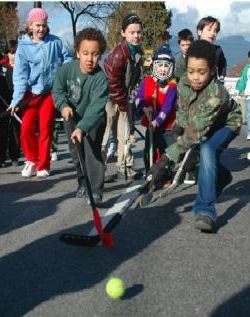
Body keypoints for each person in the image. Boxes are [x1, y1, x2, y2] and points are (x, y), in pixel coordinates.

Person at [148, 40, 242, 233]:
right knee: (197, 151)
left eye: (202, 72)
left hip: (226, 124)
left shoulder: (216, 94)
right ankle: (222, 176)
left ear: (213, 70)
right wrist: (176, 136)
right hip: (201, 123)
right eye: (191, 71)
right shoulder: (183, 82)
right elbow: (184, 116)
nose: (195, 77)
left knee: (206, 149)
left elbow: (195, 132)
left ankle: (205, 211)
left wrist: (166, 158)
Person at [9, 7, 72, 178]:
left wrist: (62, 76)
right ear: (30, 26)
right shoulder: (23, 46)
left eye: (44, 25)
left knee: (46, 129)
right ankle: (31, 159)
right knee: (26, 128)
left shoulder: (55, 42)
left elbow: (68, 58)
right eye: (37, 25)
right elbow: (20, 76)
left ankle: (43, 165)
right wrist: (15, 101)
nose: (41, 29)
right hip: (31, 94)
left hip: (49, 93)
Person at [52, 27, 109, 204]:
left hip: (94, 120)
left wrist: (82, 128)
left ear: (100, 55)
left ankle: (96, 190)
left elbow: (96, 107)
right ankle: (83, 184)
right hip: (71, 117)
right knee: (76, 153)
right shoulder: (66, 70)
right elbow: (58, 90)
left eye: (95, 54)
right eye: (85, 53)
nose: (90, 59)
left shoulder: (101, 79)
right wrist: (63, 105)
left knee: (92, 153)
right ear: (77, 52)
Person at [103, 13, 143, 179]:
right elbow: (112, 82)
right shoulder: (119, 54)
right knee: (104, 137)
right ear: (123, 33)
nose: (136, 36)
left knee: (124, 135)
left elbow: (133, 79)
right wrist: (122, 103)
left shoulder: (137, 52)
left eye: (139, 32)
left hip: (122, 98)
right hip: (108, 99)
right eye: (132, 32)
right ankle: (97, 171)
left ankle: (124, 167)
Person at [134, 45, 177, 175]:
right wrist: (142, 108)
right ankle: (150, 173)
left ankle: (166, 176)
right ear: (154, 66)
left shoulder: (172, 86)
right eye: (160, 65)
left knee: (167, 153)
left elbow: (167, 107)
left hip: (166, 128)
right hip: (150, 125)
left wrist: (157, 121)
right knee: (149, 152)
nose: (163, 69)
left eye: (166, 66)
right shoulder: (147, 81)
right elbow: (138, 98)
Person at [0, 39, 20, 167]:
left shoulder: (22, 67)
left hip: (16, 103)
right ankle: (1, 158)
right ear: (7, 54)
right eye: (11, 53)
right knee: (3, 130)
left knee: (15, 130)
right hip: (3, 101)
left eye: (15, 53)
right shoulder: (2, 67)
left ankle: (15, 156)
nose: (13, 56)